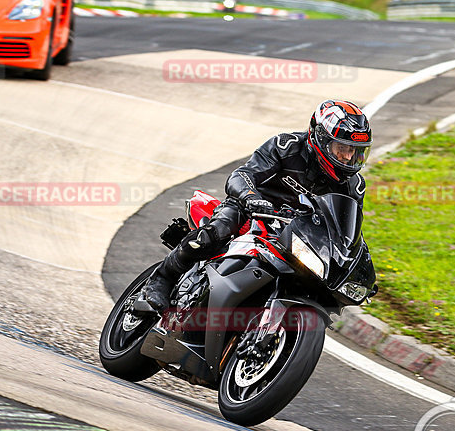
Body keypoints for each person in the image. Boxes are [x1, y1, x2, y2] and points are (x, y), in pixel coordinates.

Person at [136, 100, 372, 313]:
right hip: (251, 210)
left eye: (355, 152)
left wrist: (357, 266)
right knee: (218, 230)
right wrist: (252, 198)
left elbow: (345, 230)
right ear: (320, 138)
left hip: (297, 234)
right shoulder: (286, 146)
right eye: (342, 149)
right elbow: (242, 175)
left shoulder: (353, 186)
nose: (347, 159)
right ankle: (162, 279)